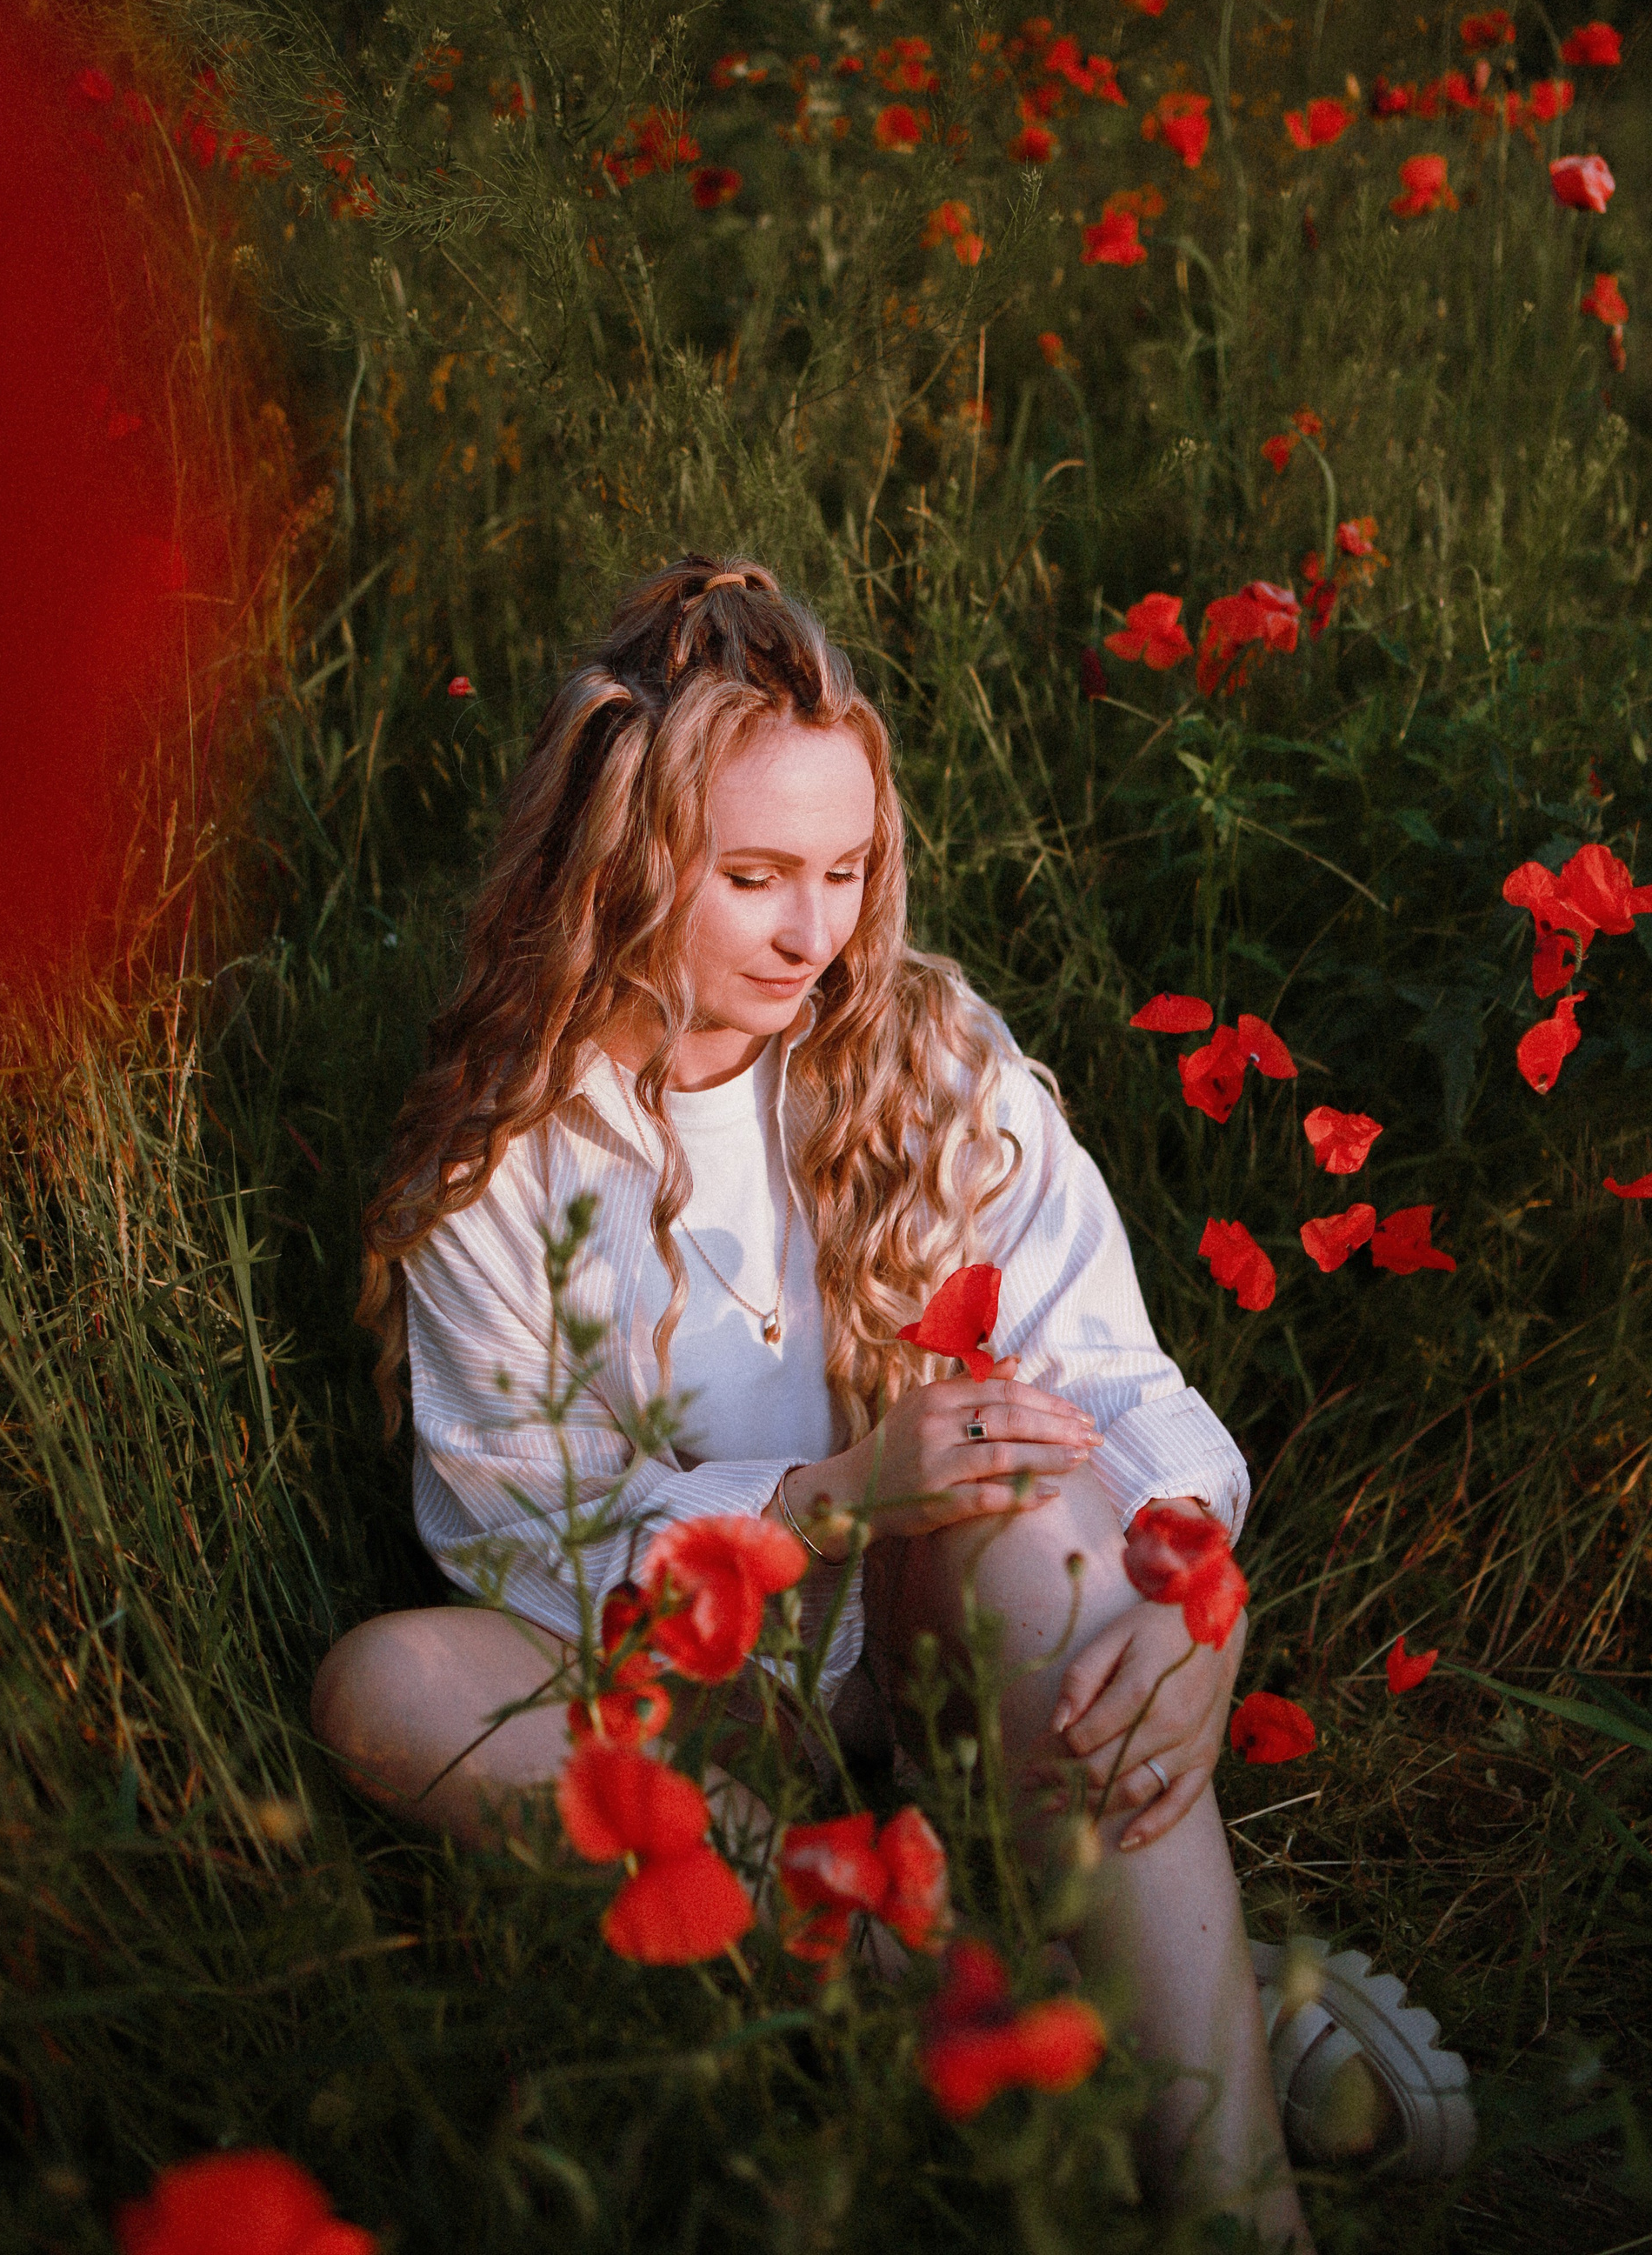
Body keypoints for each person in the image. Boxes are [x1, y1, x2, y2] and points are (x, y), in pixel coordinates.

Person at [310, 555, 1409, 2246]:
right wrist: (820, 1503)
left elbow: (1111, 1377)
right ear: (616, 860)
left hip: (954, 1665)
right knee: (385, 1685)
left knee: (1030, 1502)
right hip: (701, 1720)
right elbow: (519, 1542)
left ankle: (1237, 2215)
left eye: (844, 871)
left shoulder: (928, 1054)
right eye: (753, 877)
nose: (813, 935)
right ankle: (993, 1992)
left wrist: (1199, 1600)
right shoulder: (500, 1165)